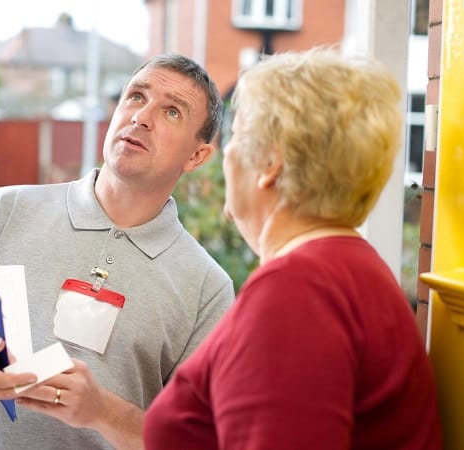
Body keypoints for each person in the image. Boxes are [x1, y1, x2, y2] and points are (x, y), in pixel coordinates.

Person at [0, 53, 234, 450]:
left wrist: (103, 411)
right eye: (136, 97)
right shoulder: (6, 211)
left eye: (172, 111)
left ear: (197, 156)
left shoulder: (207, 289)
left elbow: (198, 441)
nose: (141, 117)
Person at [143, 49, 443, 449]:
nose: (227, 153)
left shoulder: (295, 293)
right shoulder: (352, 269)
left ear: (270, 164)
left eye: (235, 136)